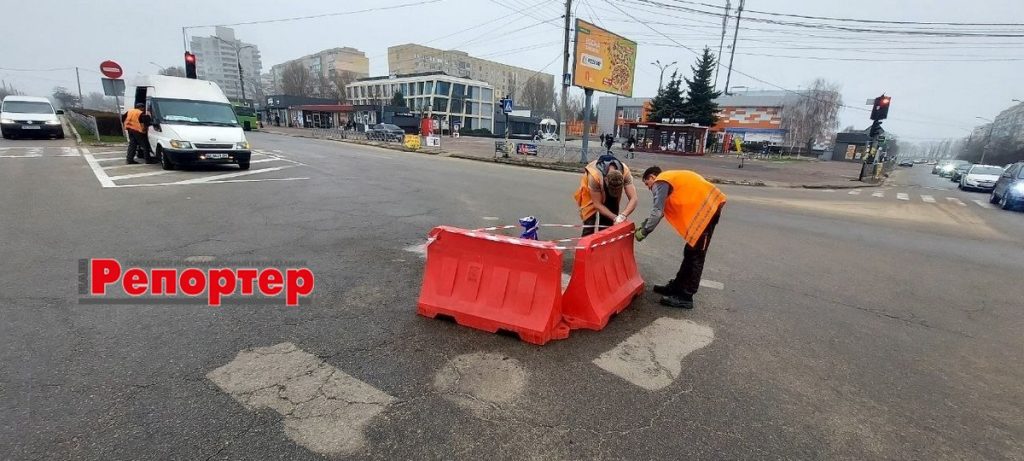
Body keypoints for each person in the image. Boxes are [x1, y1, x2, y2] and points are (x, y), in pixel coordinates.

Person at [634, 166, 727, 309]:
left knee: (696, 255)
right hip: (707, 210)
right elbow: (660, 211)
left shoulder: (660, 181)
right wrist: (646, 224)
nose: (649, 188)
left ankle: (686, 296)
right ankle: (677, 287)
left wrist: (644, 231)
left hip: (707, 212)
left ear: (652, 177)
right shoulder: (670, 179)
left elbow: (657, 211)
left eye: (647, 184)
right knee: (690, 252)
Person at [574, 154, 639, 236]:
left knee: (608, 222)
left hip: (605, 184)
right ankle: (586, 241)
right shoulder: (594, 176)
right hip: (590, 191)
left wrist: (622, 216)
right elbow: (597, 205)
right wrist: (615, 217)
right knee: (589, 222)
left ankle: (603, 240)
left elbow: (634, 198)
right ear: (606, 180)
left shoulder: (625, 172)